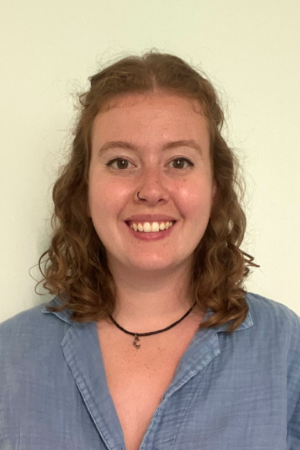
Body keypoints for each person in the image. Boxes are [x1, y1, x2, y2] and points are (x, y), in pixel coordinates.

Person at [0, 52, 299, 450]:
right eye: (121, 162)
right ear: (84, 186)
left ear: (215, 186)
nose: (152, 189)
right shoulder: (10, 355)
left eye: (179, 161)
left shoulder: (284, 348)